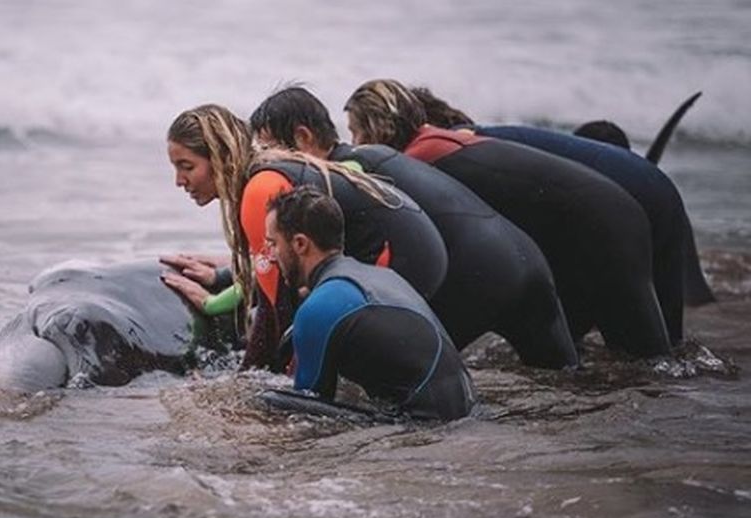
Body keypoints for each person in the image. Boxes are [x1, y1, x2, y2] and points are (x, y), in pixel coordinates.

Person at [248, 86, 578, 368]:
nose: (265, 159)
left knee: (422, 382)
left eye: (268, 148)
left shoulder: (339, 176)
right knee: (568, 380)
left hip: (478, 276)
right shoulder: (374, 157)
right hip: (525, 257)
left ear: (302, 137)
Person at [345, 79, 672, 359]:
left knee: (648, 363)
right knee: (625, 359)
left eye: (355, 132)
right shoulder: (439, 140)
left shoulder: (420, 158)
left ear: (377, 127)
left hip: (608, 228)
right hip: (607, 222)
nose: (354, 143)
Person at [164, 104, 448, 371]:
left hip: (401, 258)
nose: (178, 181)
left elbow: (275, 310)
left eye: (187, 167)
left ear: (221, 157)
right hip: (420, 249)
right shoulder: (265, 167)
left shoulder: (259, 188)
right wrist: (225, 279)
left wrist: (247, 381)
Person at [265, 185, 476, 420]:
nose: (271, 256)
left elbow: (306, 406)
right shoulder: (380, 277)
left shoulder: (318, 308)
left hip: (426, 424)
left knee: (271, 402)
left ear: (300, 244)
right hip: (465, 406)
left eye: (274, 244)